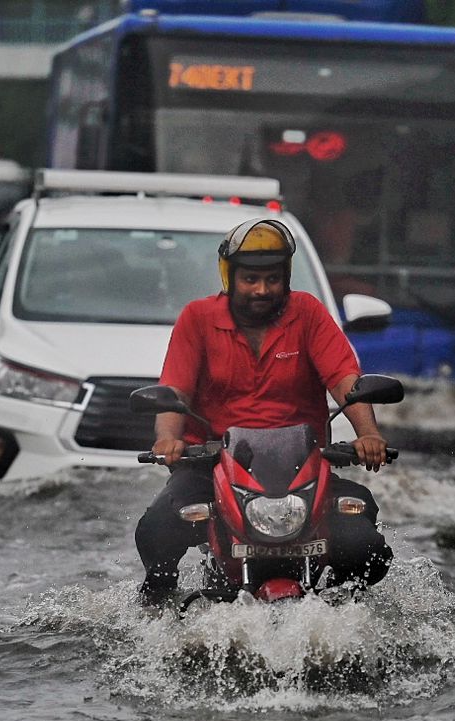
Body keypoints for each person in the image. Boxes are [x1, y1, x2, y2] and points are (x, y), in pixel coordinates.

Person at [135, 217, 392, 604]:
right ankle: (158, 610)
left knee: (363, 540)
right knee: (157, 528)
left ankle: (343, 609)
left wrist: (367, 434)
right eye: (251, 280)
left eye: (272, 279)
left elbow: (344, 378)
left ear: (286, 277)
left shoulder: (307, 312)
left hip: (301, 467)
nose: (262, 290)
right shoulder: (198, 318)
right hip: (212, 465)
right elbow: (176, 390)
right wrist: (168, 440)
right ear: (229, 277)